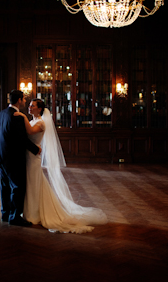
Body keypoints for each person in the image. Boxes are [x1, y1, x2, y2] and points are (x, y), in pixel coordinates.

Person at [14, 99, 108, 233]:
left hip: (33, 158)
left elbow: (28, 132)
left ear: (39, 109)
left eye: (32, 106)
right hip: (28, 156)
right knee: (31, 184)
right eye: (29, 105)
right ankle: (30, 211)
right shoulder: (32, 121)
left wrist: (22, 116)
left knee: (33, 184)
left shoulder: (40, 123)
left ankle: (33, 215)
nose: (29, 107)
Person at [0, 90, 41, 227]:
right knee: (17, 186)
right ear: (19, 100)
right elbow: (21, 139)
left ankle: (5, 214)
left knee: (5, 186)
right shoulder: (17, 116)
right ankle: (15, 217)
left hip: (0, 155)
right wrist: (36, 149)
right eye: (24, 99)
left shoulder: (1, 114)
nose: (25, 102)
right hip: (13, 157)